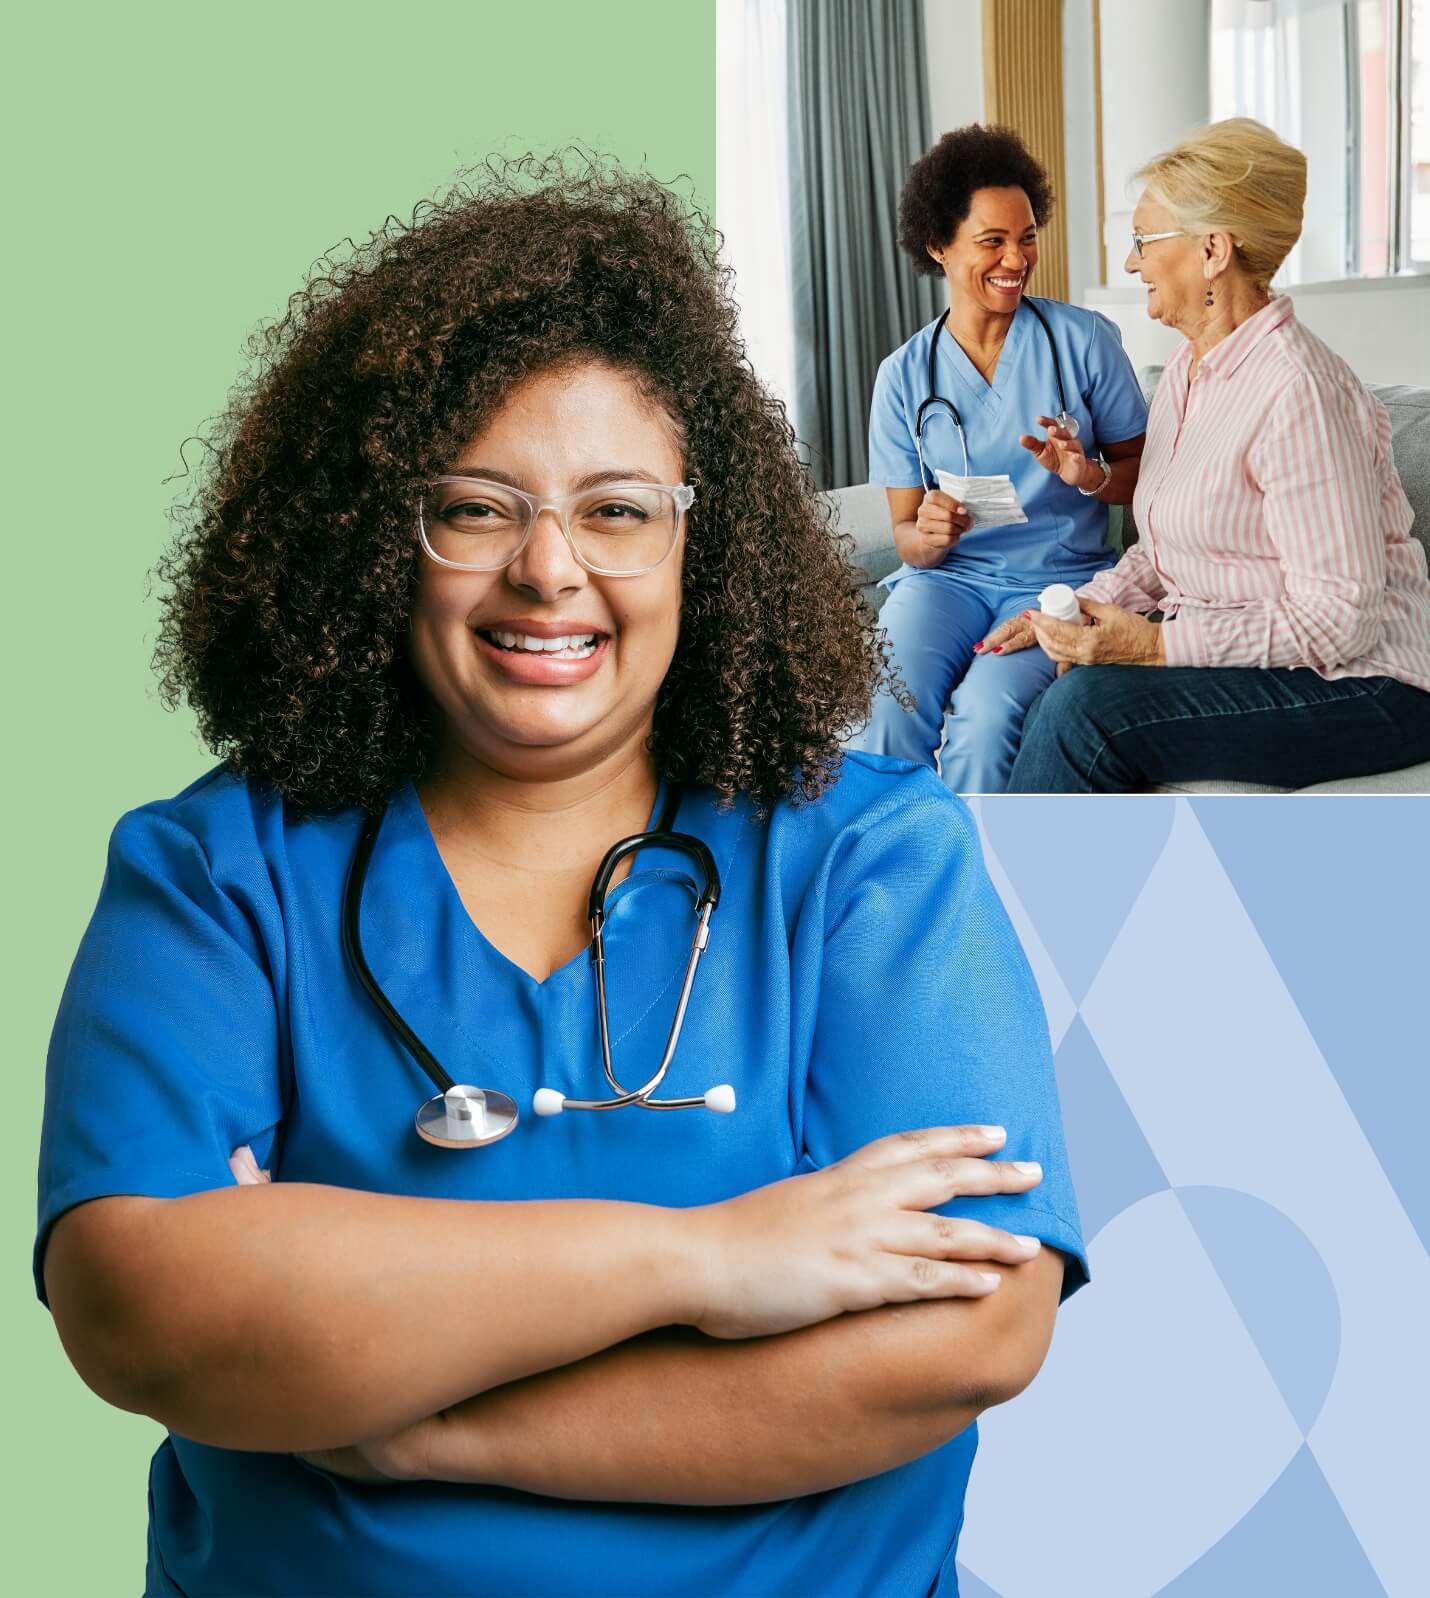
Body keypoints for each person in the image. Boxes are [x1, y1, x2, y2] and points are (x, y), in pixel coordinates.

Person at [36, 157, 1087, 1598]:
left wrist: (434, 1424)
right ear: (369, 537)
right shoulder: (216, 871)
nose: (547, 569)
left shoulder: (866, 858)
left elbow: (972, 1327)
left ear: (698, 545)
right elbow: (141, 1306)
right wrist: (713, 1263)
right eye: (474, 507)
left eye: (616, 510)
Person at [997, 118, 1430, 792]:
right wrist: (1076, 606)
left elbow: (1340, 619)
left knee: (1086, 714)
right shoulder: (1188, 371)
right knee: (1046, 686)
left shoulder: (1297, 391)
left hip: (1370, 684)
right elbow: (1167, 549)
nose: (1132, 263)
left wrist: (1155, 644)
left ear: (1212, 251)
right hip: (1278, 662)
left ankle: (1000, 901)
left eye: (1142, 240)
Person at [854, 124, 1148, 793]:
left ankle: (979, 890)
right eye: (992, 241)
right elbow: (907, 539)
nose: (1016, 259)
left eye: (1027, 237)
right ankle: (891, 880)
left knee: (986, 720)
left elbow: (1148, 479)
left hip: (1054, 579)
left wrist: (1092, 476)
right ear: (939, 245)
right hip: (945, 584)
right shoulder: (903, 376)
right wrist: (926, 537)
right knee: (887, 700)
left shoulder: (1085, 343)